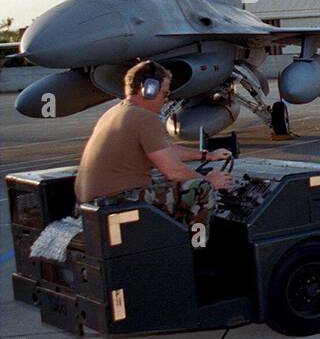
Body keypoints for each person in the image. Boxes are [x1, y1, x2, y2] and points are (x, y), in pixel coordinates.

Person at [75, 60, 232, 231]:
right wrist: (208, 181)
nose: (165, 100)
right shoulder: (145, 118)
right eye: (164, 94)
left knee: (165, 182)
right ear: (148, 90)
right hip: (117, 203)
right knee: (202, 190)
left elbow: (165, 151)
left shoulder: (116, 112)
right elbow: (173, 171)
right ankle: (197, 249)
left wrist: (207, 155)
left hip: (94, 203)